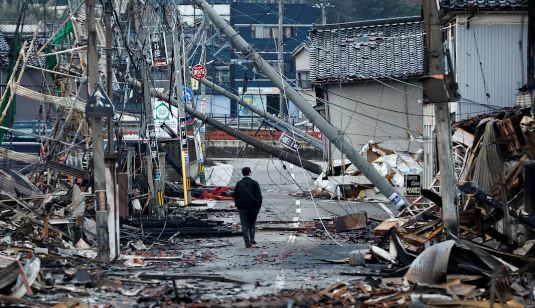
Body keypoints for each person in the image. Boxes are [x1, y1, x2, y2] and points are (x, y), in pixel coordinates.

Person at [233, 167, 262, 248]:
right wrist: (258, 206)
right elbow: (259, 196)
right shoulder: (255, 183)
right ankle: (252, 239)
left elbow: (235, 196)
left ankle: (247, 242)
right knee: (252, 224)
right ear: (249, 173)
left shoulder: (239, 183)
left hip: (242, 208)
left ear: (243, 173)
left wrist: (238, 205)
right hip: (253, 208)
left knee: (244, 225)